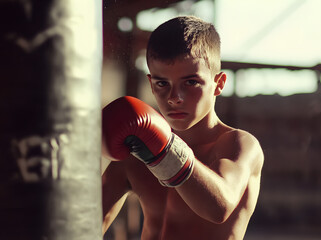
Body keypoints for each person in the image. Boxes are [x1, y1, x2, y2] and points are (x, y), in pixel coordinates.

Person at [101, 15, 264, 240]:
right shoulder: (135, 153)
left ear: (219, 84)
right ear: (151, 83)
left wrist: (163, 149)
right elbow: (83, 225)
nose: (174, 97)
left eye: (191, 82)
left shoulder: (238, 145)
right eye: (162, 83)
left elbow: (220, 207)